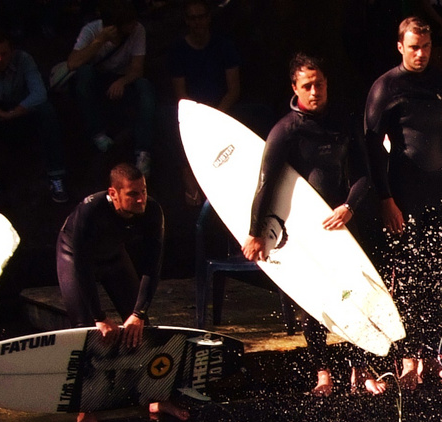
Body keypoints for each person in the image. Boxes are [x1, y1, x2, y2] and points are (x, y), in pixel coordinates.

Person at [243, 53, 384, 396]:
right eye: (307, 85)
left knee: (357, 297)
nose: (315, 91)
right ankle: (323, 373)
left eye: (319, 83)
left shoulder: (343, 121)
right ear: (295, 88)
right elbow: (265, 184)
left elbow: (364, 176)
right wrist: (255, 233)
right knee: (310, 306)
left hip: (341, 225)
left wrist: (349, 207)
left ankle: (360, 369)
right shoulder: (285, 131)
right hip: (301, 231)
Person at [364, 16, 442, 386]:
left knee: (439, 277)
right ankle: (408, 359)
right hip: (403, 195)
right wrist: (386, 199)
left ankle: (437, 354)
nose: (421, 54)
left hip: (441, 194)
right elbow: (372, 149)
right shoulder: (385, 88)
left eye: (426, 47)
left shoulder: (441, 82)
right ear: (400, 47)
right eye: (414, 47)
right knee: (407, 280)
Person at [56, 163, 184, 422]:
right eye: (132, 194)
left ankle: (156, 399)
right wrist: (99, 317)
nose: (141, 199)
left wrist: (137, 313)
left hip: (113, 257)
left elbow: (152, 266)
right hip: (75, 258)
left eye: (144, 192)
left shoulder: (152, 211)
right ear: (113, 193)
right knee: (86, 330)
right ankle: (85, 407)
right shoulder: (90, 210)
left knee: (141, 327)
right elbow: (81, 268)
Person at [0, 27, 68, 202]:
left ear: (12, 51)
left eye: (3, 54)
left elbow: (39, 93)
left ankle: (56, 176)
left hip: (20, 114)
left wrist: (12, 113)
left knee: (46, 109)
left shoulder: (24, 60)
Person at [66, 0, 155, 175]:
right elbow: (73, 63)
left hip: (122, 78)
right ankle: (97, 134)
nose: (133, 27)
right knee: (84, 74)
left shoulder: (137, 30)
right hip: (97, 79)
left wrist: (123, 81)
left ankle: (143, 152)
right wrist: (99, 41)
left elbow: (137, 68)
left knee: (145, 87)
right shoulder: (91, 31)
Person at [169, 0, 242, 205]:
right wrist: (199, 118)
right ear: (186, 21)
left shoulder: (224, 45)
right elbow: (181, 94)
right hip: (193, 112)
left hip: (223, 108)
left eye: (201, 17)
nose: (197, 22)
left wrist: (216, 115)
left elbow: (234, 89)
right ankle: (191, 187)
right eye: (192, 18)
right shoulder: (179, 51)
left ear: (208, 18)